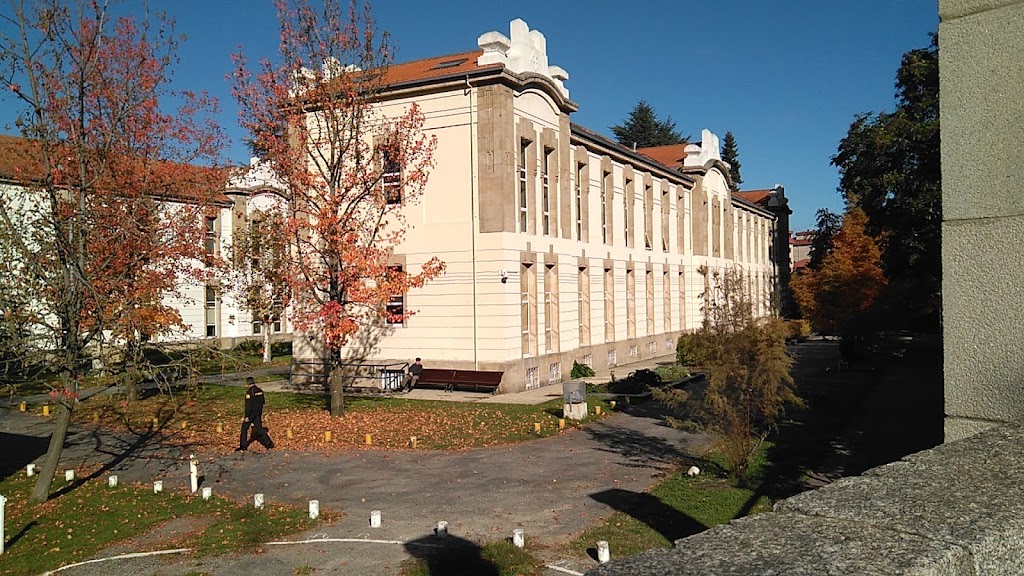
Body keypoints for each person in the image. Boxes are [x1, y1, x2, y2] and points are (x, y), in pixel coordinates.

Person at [236, 376, 274, 451]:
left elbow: (248, 405)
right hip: (258, 412)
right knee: (259, 429)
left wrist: (247, 416)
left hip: (251, 414)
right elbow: (263, 402)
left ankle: (243, 446)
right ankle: (269, 444)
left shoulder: (250, 392)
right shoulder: (259, 391)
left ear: (247, 383)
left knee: (244, 429)